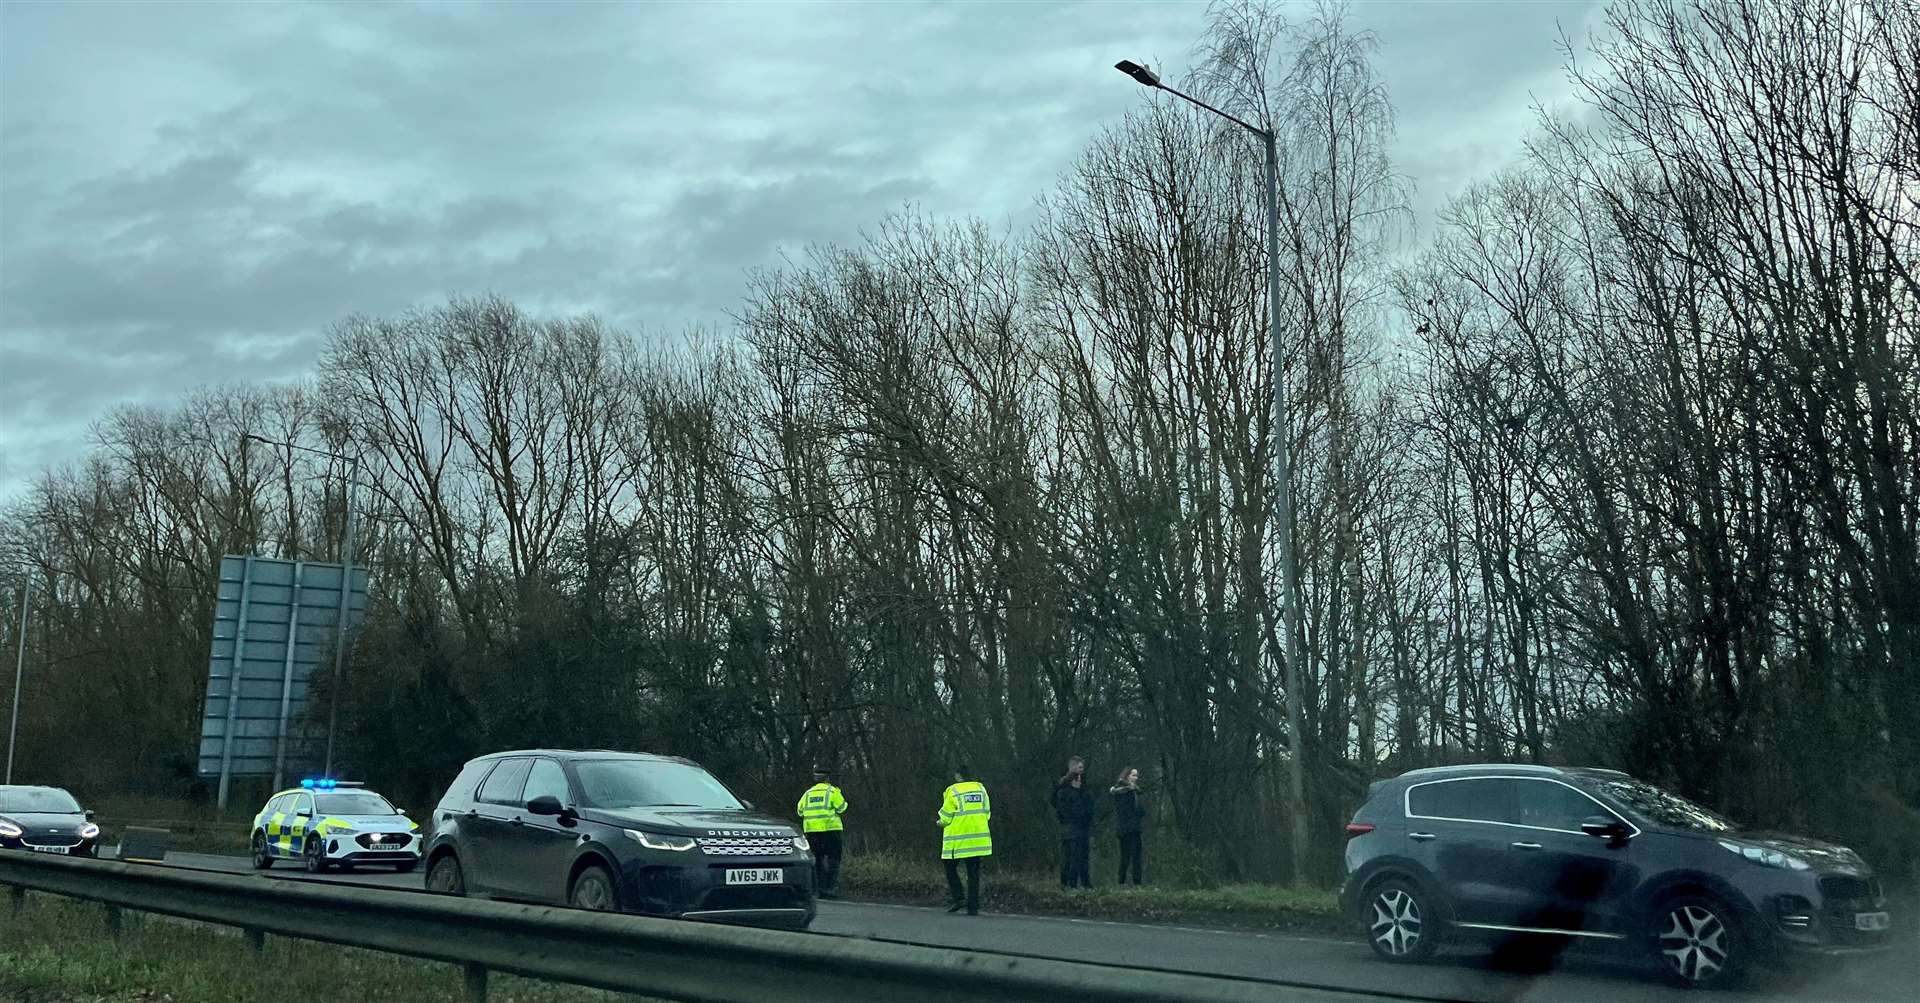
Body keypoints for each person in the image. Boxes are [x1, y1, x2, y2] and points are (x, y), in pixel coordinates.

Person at [937, 764, 992, 915]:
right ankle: (973, 907)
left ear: (958, 776)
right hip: (978, 840)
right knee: (973, 873)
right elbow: (987, 813)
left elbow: (946, 816)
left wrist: (939, 823)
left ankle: (959, 897)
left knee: (950, 868)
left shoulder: (953, 791)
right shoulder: (981, 789)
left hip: (958, 840)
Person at [796, 764, 848, 899]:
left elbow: (800, 811)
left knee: (817, 860)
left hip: (812, 832)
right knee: (833, 859)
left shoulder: (807, 794)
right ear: (828, 779)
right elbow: (842, 808)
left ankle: (818, 888)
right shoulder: (832, 792)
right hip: (831, 830)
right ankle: (831, 887)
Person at [1051, 755, 1094, 889]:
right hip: (1073, 828)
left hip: (1075, 828)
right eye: (1080, 767)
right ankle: (1071, 885)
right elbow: (1072, 810)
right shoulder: (1064, 791)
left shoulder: (1080, 788)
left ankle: (1080, 884)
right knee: (1073, 858)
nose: (1082, 771)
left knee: (1077, 858)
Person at [1110, 766, 1145, 885]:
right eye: (1133, 775)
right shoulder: (1121, 792)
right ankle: (1121, 882)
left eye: (1136, 775)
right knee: (1126, 857)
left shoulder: (1135, 792)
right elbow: (1123, 811)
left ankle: (1137, 883)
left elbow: (1140, 810)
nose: (1136, 778)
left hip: (1134, 828)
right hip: (1126, 829)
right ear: (1127, 776)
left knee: (1136, 857)